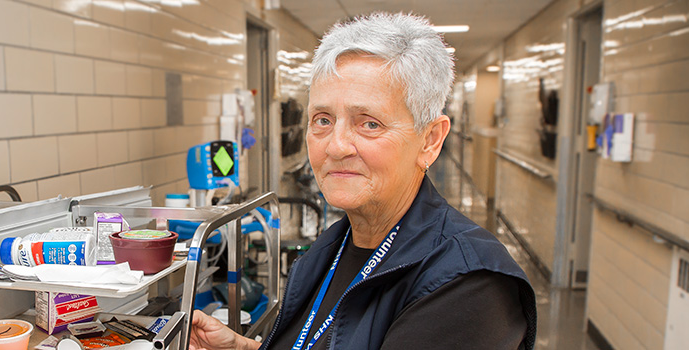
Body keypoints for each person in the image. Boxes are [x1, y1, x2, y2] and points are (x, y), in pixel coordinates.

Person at [188, 12, 536, 350]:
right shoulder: (330, 248)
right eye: (323, 119)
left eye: (369, 123)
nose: (336, 146)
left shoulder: (467, 287)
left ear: (430, 140)